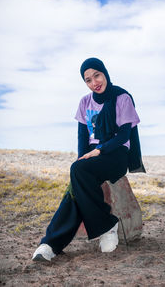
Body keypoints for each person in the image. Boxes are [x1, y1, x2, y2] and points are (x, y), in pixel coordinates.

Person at [32, 57, 145, 262]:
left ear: (105, 73)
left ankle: (53, 242)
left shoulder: (122, 97)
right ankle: (53, 244)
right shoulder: (85, 102)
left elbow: (123, 136)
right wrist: (80, 161)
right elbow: (82, 137)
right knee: (78, 176)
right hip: (92, 157)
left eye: (97, 75)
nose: (94, 82)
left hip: (116, 154)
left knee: (79, 173)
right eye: (88, 80)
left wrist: (100, 150)